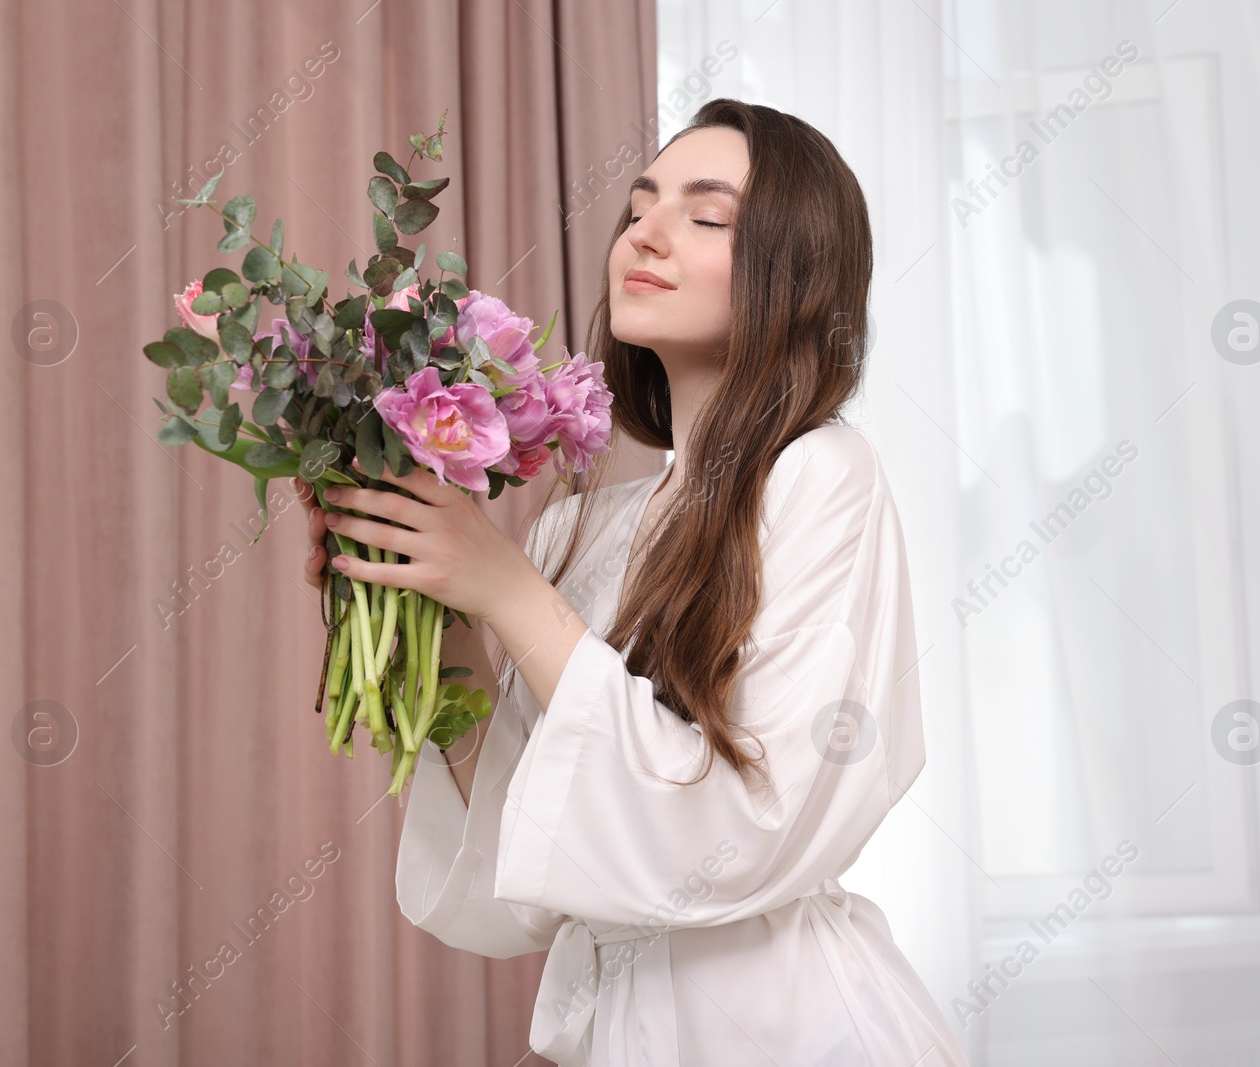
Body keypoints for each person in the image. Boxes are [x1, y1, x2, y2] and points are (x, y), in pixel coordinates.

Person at [296, 98, 970, 1067]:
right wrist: (428, 599)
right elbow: (520, 858)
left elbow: (757, 824)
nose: (643, 233)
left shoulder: (821, 473)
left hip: (788, 1027)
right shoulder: (581, 524)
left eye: (705, 216)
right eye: (639, 205)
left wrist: (509, 590)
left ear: (794, 267)